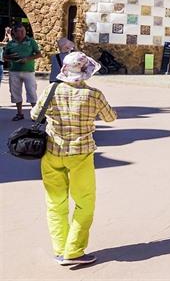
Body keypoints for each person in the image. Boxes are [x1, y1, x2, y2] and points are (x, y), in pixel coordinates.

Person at [32, 51, 117, 265]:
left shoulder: (52, 90)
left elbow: (35, 115)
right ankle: (75, 250)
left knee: (55, 203)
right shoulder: (94, 95)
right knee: (84, 202)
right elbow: (111, 117)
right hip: (81, 153)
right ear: (86, 71)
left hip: (52, 152)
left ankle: (60, 249)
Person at [6, 23, 42, 121]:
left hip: (28, 71)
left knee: (31, 92)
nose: (23, 33)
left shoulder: (31, 42)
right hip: (14, 71)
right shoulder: (10, 43)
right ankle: (19, 113)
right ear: (15, 32)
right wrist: (11, 57)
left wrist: (28, 58)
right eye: (20, 31)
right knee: (16, 92)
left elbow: (39, 54)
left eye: (24, 31)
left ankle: (36, 114)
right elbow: (5, 57)